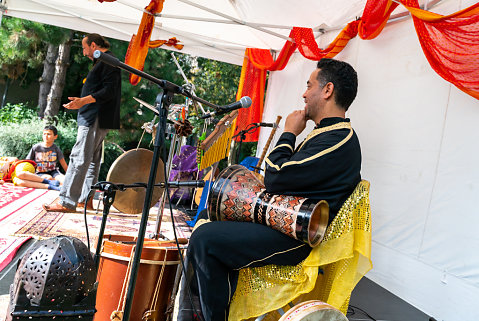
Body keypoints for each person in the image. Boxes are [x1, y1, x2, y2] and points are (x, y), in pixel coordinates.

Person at [177, 58, 362, 320]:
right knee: (210, 220)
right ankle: (206, 310)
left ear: (328, 90)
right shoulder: (326, 134)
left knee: (206, 240)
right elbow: (286, 179)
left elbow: (276, 177)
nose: (304, 93)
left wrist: (288, 133)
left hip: (298, 238)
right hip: (282, 224)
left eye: (309, 86)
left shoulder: (339, 139)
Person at [43, 33, 121, 213]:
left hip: (95, 117)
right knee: (92, 161)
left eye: (85, 48)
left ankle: (66, 201)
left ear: (94, 45)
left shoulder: (108, 61)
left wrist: (82, 101)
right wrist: (82, 101)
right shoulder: (106, 61)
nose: (85, 53)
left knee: (79, 158)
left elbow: (108, 91)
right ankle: (85, 200)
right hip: (98, 116)